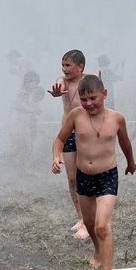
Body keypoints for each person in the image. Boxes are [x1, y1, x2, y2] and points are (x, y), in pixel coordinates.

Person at [52, 74, 136, 270]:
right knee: (90, 225)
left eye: (93, 98)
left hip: (107, 176)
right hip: (84, 176)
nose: (89, 103)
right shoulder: (76, 115)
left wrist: (130, 162)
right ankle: (98, 251)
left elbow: (125, 142)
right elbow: (59, 139)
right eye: (84, 99)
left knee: (102, 226)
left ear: (104, 95)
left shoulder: (116, 118)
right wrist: (56, 156)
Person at [48, 49, 89, 240]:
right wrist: (57, 88)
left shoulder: (88, 81)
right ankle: (81, 218)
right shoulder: (63, 81)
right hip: (68, 133)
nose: (64, 69)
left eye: (68, 66)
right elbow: (59, 83)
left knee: (86, 177)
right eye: (63, 65)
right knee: (72, 179)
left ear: (80, 67)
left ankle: (89, 223)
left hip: (86, 134)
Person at [10, 71, 44, 160]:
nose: (35, 84)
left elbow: (28, 105)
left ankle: (25, 166)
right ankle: (26, 167)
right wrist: (32, 111)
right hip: (19, 124)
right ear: (28, 82)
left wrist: (35, 110)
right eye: (33, 82)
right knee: (23, 147)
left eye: (36, 82)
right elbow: (17, 106)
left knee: (27, 147)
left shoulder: (29, 93)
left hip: (27, 123)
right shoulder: (23, 92)